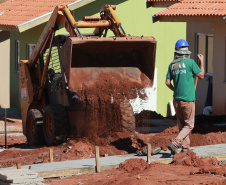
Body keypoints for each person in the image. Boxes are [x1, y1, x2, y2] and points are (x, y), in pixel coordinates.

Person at [165, 39, 204, 155]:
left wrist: (175, 89)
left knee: (182, 124)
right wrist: (202, 62)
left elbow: (167, 82)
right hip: (188, 99)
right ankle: (176, 143)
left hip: (176, 100)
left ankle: (185, 148)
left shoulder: (172, 65)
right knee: (189, 125)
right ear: (187, 51)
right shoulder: (191, 62)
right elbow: (201, 75)